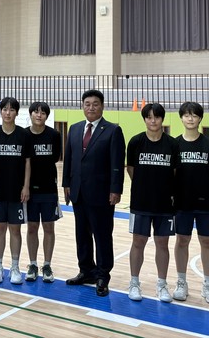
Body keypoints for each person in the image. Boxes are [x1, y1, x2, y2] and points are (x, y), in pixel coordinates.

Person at [62, 89, 125, 297]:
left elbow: (117, 163)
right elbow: (69, 159)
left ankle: (102, 276)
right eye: (87, 104)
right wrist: (66, 184)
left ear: (102, 106)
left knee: (102, 235)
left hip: (102, 194)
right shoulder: (75, 128)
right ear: (83, 106)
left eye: (95, 104)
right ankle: (86, 270)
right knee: (82, 235)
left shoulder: (113, 130)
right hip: (78, 192)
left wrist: (116, 189)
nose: (91, 107)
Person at [126, 102, 180, 302]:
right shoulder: (136, 142)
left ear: (162, 119)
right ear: (144, 119)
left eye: (156, 117)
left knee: (162, 244)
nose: (153, 120)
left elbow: (175, 172)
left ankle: (162, 285)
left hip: (165, 203)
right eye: (149, 117)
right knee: (138, 242)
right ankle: (134, 283)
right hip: (140, 202)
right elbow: (131, 169)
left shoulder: (172, 144)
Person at [172, 102, 209, 305]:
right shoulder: (175, 144)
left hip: (205, 202)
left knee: (207, 242)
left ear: (200, 118)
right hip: (181, 202)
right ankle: (181, 282)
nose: (190, 119)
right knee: (182, 240)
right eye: (187, 115)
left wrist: (203, 189)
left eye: (194, 115)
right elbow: (172, 173)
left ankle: (208, 285)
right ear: (181, 118)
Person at [0, 97, 32, 284]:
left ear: (16, 113)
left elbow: (28, 162)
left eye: (11, 109)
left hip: (17, 191)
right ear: (1, 111)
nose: (8, 112)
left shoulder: (23, 135)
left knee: (15, 230)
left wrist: (26, 186)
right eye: (5, 109)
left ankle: (15, 267)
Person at [23, 101, 61, 283]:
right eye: (36, 112)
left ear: (47, 116)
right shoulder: (23, 135)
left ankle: (47, 265)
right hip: (29, 190)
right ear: (30, 114)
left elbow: (55, 158)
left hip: (48, 189)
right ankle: (32, 264)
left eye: (43, 113)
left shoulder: (54, 135)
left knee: (48, 227)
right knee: (32, 227)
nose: (39, 115)